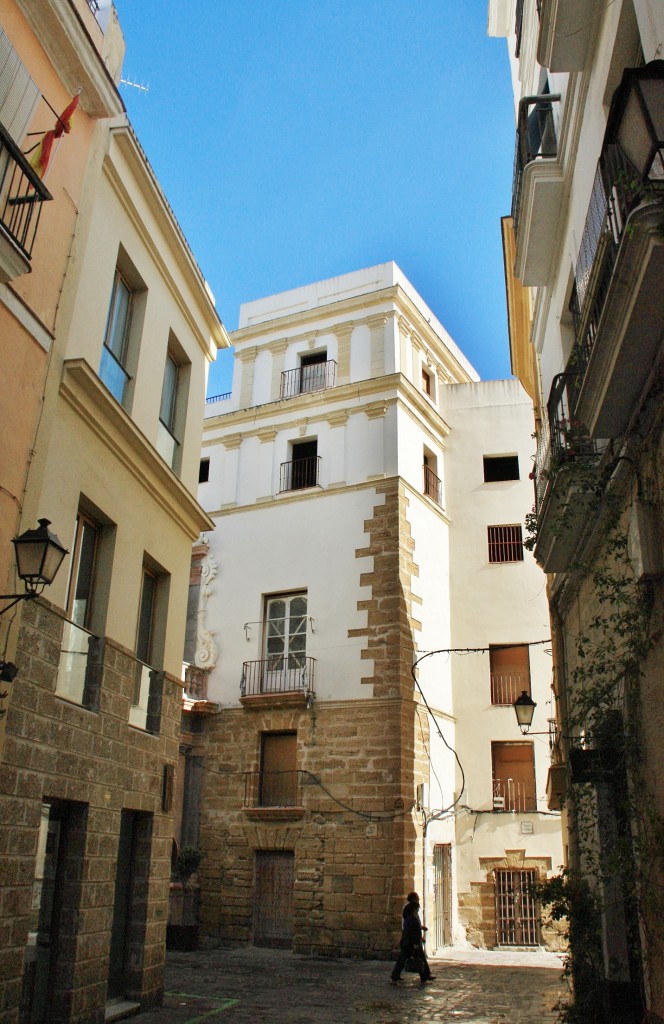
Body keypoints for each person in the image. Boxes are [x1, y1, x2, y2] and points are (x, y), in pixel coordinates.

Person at [390, 899, 432, 984]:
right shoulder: (412, 919)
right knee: (420, 960)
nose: (418, 910)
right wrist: (416, 943)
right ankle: (424, 978)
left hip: (407, 943)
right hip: (412, 944)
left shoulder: (408, 918)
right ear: (413, 909)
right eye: (417, 909)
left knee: (402, 961)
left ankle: (395, 976)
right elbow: (413, 932)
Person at [403, 892, 434, 981]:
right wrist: (418, 940)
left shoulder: (412, 915)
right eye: (417, 898)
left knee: (420, 958)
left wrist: (421, 928)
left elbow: (416, 927)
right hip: (412, 942)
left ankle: (425, 976)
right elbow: (412, 930)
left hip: (413, 941)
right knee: (411, 958)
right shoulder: (410, 915)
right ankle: (395, 975)